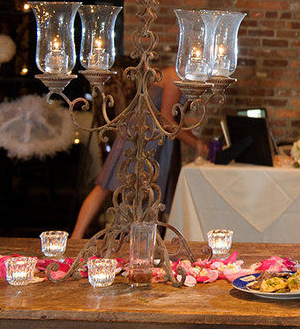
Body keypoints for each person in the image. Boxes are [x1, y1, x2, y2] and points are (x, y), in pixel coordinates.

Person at [72, 65, 204, 238]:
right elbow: (166, 119)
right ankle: (75, 238)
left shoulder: (190, 79)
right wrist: (196, 144)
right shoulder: (174, 75)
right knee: (106, 185)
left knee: (150, 194)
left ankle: (141, 243)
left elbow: (175, 119)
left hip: (158, 140)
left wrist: (196, 139)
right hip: (140, 134)